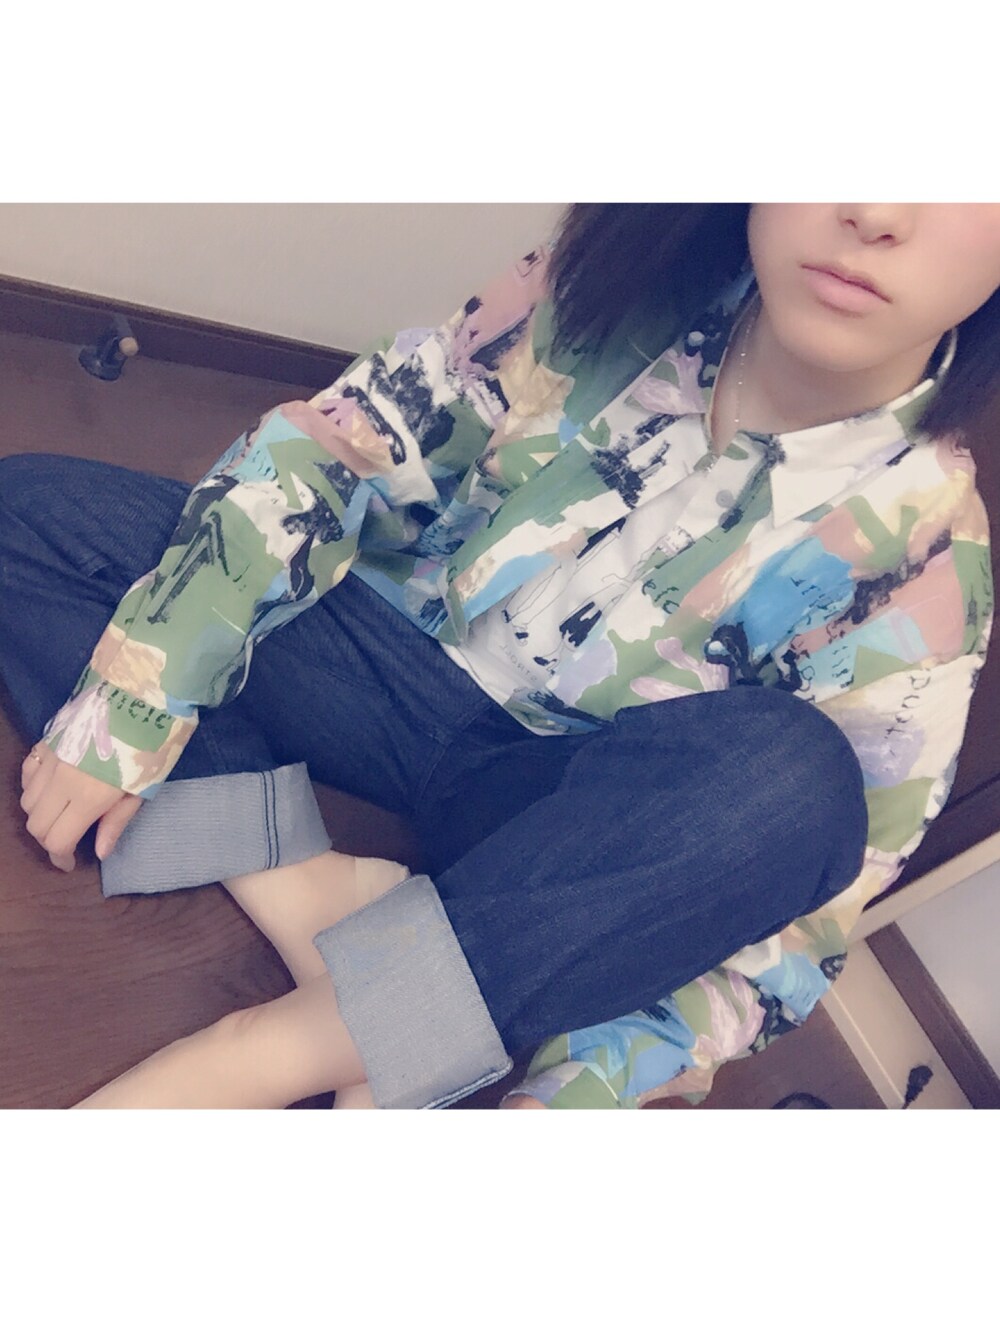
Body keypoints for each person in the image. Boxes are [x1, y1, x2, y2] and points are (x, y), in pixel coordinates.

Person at [1, 204, 996, 1110]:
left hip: (555, 811)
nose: (875, 210)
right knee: (32, 514)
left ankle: (262, 1052)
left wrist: (557, 1104)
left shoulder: (931, 558)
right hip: (388, 658)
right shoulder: (606, 282)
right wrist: (131, 703)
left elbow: (798, 916)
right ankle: (313, 899)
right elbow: (342, 445)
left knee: (791, 786)